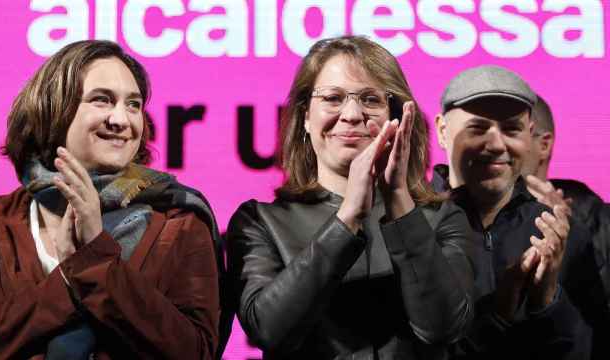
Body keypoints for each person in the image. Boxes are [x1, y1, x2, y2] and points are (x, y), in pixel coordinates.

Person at [225, 35, 475, 359]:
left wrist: (398, 197)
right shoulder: (260, 221)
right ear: (305, 118)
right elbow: (270, 331)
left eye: (371, 99)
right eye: (333, 97)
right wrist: (348, 218)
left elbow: (442, 327)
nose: (353, 114)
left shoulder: (444, 217)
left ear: (396, 117)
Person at [0, 40, 220, 359]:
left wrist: (96, 258)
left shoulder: (180, 225)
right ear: (53, 108)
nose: (121, 120)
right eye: (102, 100)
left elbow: (195, 353)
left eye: (133, 104)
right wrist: (66, 284)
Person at [432, 65, 609, 359]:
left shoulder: (564, 234)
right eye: (477, 128)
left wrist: (548, 302)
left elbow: (593, 349)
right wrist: (497, 317)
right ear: (442, 131)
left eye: (511, 129)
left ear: (529, 135)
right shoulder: (407, 226)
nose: (496, 144)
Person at [521, 95, 610, 309]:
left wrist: (571, 238)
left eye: (511, 131)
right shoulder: (466, 216)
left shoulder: (599, 223)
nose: (496, 144)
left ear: (544, 145)